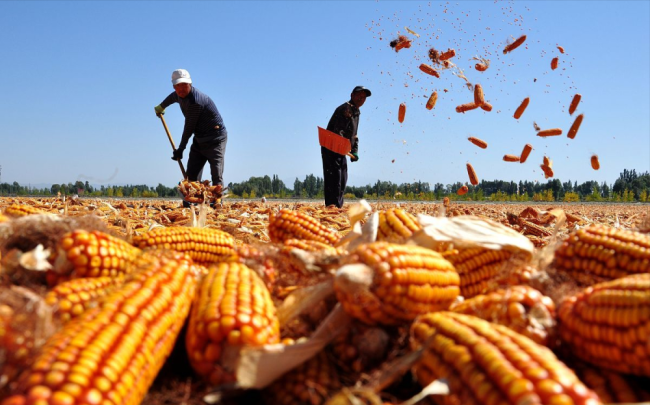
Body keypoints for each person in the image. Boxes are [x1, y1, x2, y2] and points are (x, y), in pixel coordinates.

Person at [154, 69, 227, 206]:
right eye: (177, 86)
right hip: (200, 138)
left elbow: (189, 128)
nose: (181, 89)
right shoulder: (178, 95)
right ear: (174, 87)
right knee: (191, 174)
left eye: (184, 85)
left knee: (216, 172)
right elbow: (172, 98)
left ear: (190, 84)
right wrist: (161, 106)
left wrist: (181, 149)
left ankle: (217, 202)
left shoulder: (196, 102)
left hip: (215, 138)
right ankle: (192, 201)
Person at [321, 86, 371, 208]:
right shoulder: (346, 109)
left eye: (364, 97)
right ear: (352, 95)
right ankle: (332, 207)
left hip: (341, 149)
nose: (361, 99)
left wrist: (355, 151)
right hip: (332, 147)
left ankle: (337, 206)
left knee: (342, 178)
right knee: (335, 179)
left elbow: (354, 135)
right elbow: (339, 131)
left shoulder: (356, 112)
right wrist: (344, 148)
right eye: (359, 95)